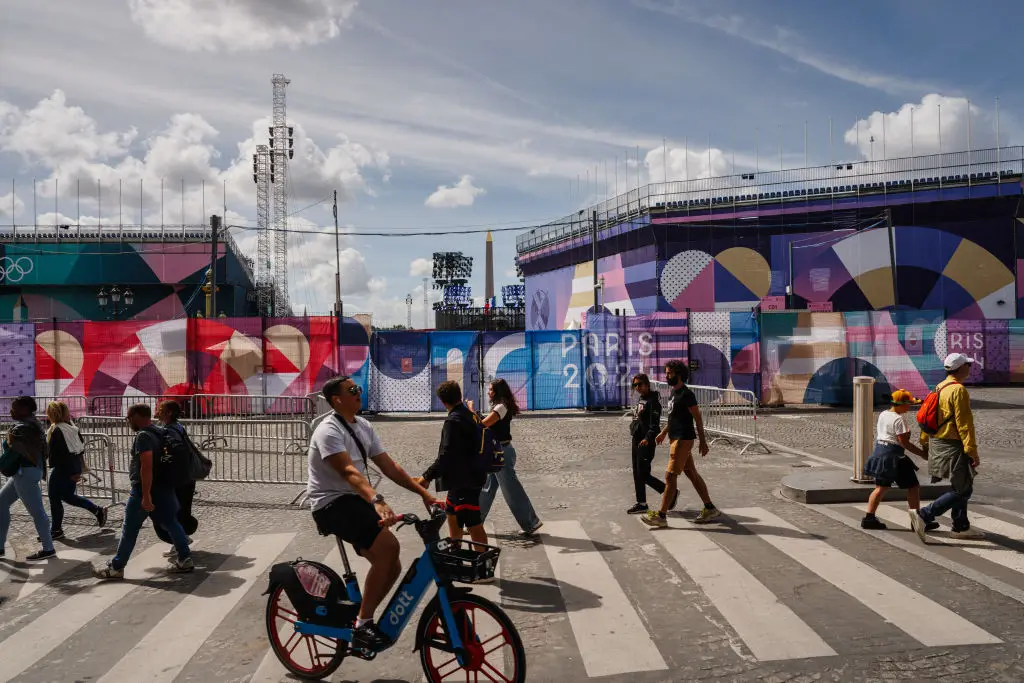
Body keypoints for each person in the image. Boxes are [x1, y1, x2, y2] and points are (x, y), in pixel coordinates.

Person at [307, 376, 439, 651]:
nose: (359, 393)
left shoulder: (363, 426)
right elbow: (348, 471)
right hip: (331, 503)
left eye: (359, 389)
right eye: (352, 390)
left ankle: (360, 617)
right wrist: (377, 499)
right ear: (336, 400)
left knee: (393, 564)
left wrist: (424, 494)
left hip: (355, 500)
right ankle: (363, 624)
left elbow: (390, 467)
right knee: (389, 547)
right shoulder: (327, 431)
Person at [93, 404, 194, 579]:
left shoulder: (143, 436)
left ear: (136, 416)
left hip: (145, 490)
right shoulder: (159, 431)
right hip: (164, 486)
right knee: (171, 522)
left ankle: (117, 567)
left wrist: (146, 496)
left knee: (129, 528)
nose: (128, 420)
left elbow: (146, 466)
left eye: (129, 417)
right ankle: (185, 559)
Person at [911, 353, 983, 541]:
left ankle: (961, 527)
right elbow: (964, 424)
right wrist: (972, 451)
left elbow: (927, 419)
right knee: (963, 490)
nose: (970, 367)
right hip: (953, 446)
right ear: (960, 369)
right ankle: (925, 515)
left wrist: (925, 443)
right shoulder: (958, 390)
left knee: (960, 485)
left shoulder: (938, 387)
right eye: (967, 364)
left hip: (938, 443)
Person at [642, 360, 719, 528]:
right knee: (691, 474)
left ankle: (661, 516)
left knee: (670, 476)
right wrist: (663, 432)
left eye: (670, 373)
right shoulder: (673, 393)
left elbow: (697, 418)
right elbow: (673, 417)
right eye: (666, 372)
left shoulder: (687, 394)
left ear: (679, 374)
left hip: (683, 439)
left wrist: (703, 442)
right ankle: (710, 507)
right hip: (675, 438)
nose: (667, 375)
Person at [416, 381, 489, 546]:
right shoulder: (469, 415)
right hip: (468, 477)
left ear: (443, 402)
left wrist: (426, 477)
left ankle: (485, 565)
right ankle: (455, 555)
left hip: (464, 480)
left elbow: (446, 455)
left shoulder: (453, 421)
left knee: (473, 524)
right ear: (459, 396)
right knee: (452, 516)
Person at [469, 378, 543, 537]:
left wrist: (471, 411)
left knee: (512, 490)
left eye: (490, 389)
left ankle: (531, 522)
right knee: (487, 488)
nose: (488, 392)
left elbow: (483, 425)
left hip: (501, 453)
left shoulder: (501, 407)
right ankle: (475, 523)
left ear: (496, 391)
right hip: (495, 453)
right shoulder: (498, 406)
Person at [860, 390, 934, 530]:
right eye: (908, 405)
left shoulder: (884, 414)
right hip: (894, 457)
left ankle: (869, 518)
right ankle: (916, 522)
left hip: (879, 453)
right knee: (913, 487)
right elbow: (904, 443)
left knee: (880, 488)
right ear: (900, 405)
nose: (909, 408)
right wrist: (922, 454)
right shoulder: (899, 420)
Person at [0, 396, 56, 561]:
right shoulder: (35, 424)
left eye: (14, 407)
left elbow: (12, 452)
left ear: (24, 409)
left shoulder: (21, 428)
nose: (11, 411)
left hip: (24, 473)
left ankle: (48, 548)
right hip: (28, 471)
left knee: (37, 511)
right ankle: (0, 546)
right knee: (1, 503)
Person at [45, 401, 107, 539]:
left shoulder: (57, 430)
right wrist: (76, 470)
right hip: (71, 466)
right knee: (67, 496)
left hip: (63, 468)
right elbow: (79, 450)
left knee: (55, 498)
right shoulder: (72, 428)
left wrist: (72, 472)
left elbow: (59, 454)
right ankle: (96, 510)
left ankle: (56, 530)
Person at [154, 400, 198, 557]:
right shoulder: (176, 427)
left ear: (169, 413)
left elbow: (177, 454)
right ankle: (180, 541)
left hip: (180, 479)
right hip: (186, 477)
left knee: (172, 514)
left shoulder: (170, 431)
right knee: (179, 511)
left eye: (161, 409)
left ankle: (181, 542)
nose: (158, 411)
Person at [626, 374, 666, 515]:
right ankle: (641, 503)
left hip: (645, 441)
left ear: (647, 384)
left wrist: (648, 438)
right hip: (636, 439)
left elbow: (654, 425)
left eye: (639, 384)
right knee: (637, 473)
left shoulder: (653, 401)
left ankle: (668, 491)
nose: (637, 387)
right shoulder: (642, 399)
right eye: (635, 385)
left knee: (643, 473)